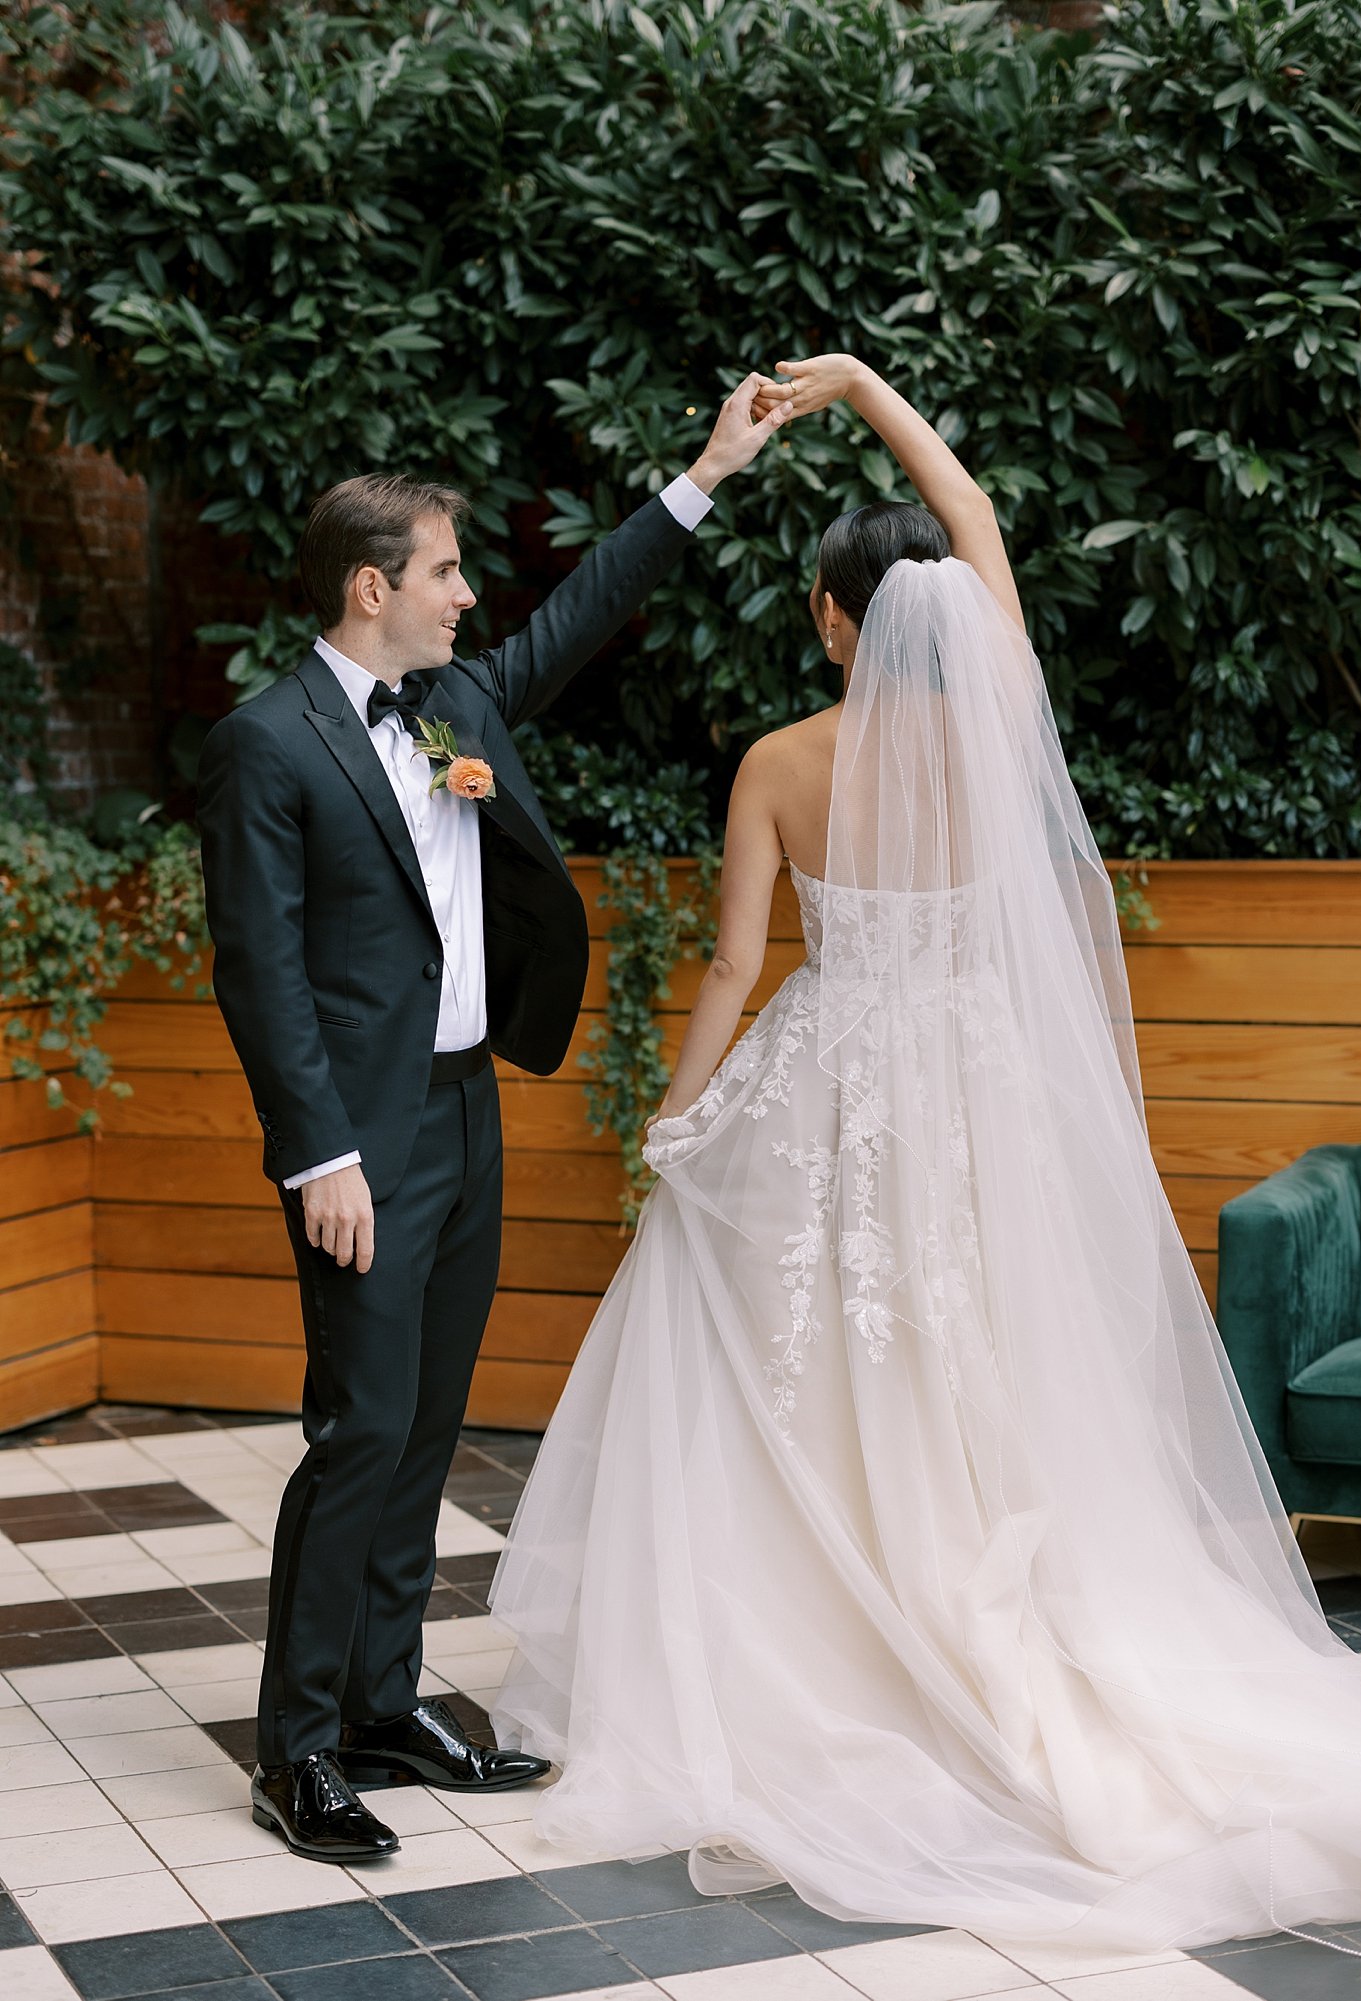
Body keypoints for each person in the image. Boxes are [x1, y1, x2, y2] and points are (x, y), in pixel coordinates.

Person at [486, 355, 1361, 1989]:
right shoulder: (1002, 710)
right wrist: (869, 387)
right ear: (944, 608)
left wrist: (679, 1128)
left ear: (836, 619)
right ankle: (993, 1629)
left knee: (807, 1382)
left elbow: (739, 967)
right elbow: (965, 513)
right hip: (983, 1095)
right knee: (987, 1378)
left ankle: (829, 1652)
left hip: (835, 1091)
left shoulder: (777, 763)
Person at [197, 372, 792, 1863]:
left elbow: (579, 614)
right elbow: (259, 969)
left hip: (470, 1112)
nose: (471, 595)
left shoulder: (457, 699)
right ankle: (303, 1746)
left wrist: (709, 471)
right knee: (362, 1424)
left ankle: (389, 1700)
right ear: (371, 585)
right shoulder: (268, 747)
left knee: (432, 1420)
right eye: (449, 570)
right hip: (363, 1140)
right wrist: (319, 1153)